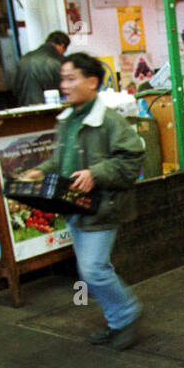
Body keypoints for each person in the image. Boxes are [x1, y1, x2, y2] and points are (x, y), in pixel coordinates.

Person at [21, 53, 145, 350]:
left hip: (103, 206)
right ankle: (118, 322)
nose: (64, 85)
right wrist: (42, 170)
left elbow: (133, 159)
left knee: (93, 270)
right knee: (92, 270)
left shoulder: (109, 121)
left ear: (91, 81)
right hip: (74, 205)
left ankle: (128, 314)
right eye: (63, 78)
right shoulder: (68, 120)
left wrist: (96, 173)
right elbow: (61, 160)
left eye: (71, 78)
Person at [13, 30, 70, 107]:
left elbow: (16, 89)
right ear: (62, 46)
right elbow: (63, 91)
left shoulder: (24, 58)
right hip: (46, 110)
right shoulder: (54, 62)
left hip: (24, 108)